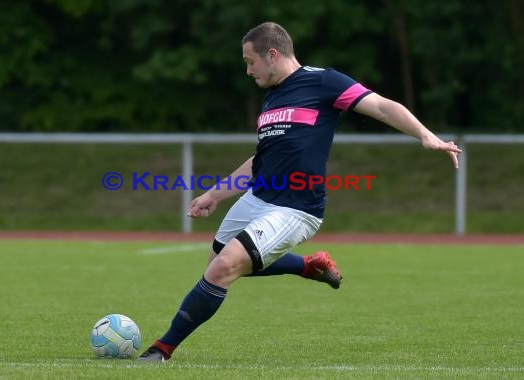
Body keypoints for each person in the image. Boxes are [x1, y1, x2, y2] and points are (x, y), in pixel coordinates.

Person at [137, 21, 461, 362]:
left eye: (250, 61)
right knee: (218, 265)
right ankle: (307, 267)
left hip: (297, 208)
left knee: (223, 269)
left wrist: (425, 134)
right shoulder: (272, 99)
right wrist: (215, 194)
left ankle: (162, 349)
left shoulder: (324, 81)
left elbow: (380, 105)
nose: (248, 70)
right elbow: (261, 158)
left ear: (272, 55)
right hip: (258, 198)